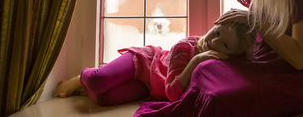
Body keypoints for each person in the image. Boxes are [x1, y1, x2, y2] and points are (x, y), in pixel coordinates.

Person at [55, 22, 255, 106]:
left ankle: (84, 89)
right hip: (144, 62)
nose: (215, 41)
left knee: (104, 99)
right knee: (99, 81)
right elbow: (172, 92)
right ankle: (81, 78)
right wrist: (196, 60)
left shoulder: (218, 63)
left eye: (225, 44)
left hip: (148, 86)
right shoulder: (185, 48)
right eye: (217, 32)